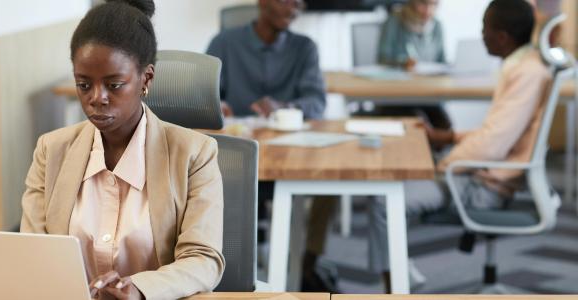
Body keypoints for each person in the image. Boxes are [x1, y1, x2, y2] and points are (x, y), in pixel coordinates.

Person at [20, 1, 225, 299]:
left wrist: (141, 289)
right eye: (83, 85)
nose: (96, 98)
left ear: (146, 79)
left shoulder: (195, 154)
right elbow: (33, 253)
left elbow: (203, 259)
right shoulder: (51, 151)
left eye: (114, 85)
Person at [368, 0, 549, 293]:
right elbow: (498, 134)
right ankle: (399, 275)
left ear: (502, 37)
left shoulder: (525, 74)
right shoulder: (528, 65)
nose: (481, 36)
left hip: (482, 187)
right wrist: (447, 138)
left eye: (484, 30)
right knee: (397, 183)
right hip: (484, 176)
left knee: (382, 201)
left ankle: (396, 286)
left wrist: (441, 164)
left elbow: (491, 145)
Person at [206, 0, 336, 292]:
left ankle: (307, 264)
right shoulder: (225, 43)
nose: (294, 9)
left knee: (331, 183)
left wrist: (284, 106)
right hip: (238, 154)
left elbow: (317, 102)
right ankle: (225, 272)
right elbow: (206, 94)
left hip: (292, 155)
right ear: (263, 3)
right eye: (286, 1)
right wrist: (218, 105)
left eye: (299, 3)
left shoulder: (305, 48)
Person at [375, 0, 451, 130]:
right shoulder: (394, 21)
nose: (428, 10)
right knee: (419, 123)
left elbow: (442, 62)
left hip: (427, 94)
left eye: (433, 5)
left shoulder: (437, 26)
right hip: (397, 95)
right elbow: (383, 59)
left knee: (444, 125)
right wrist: (403, 62)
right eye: (423, 4)